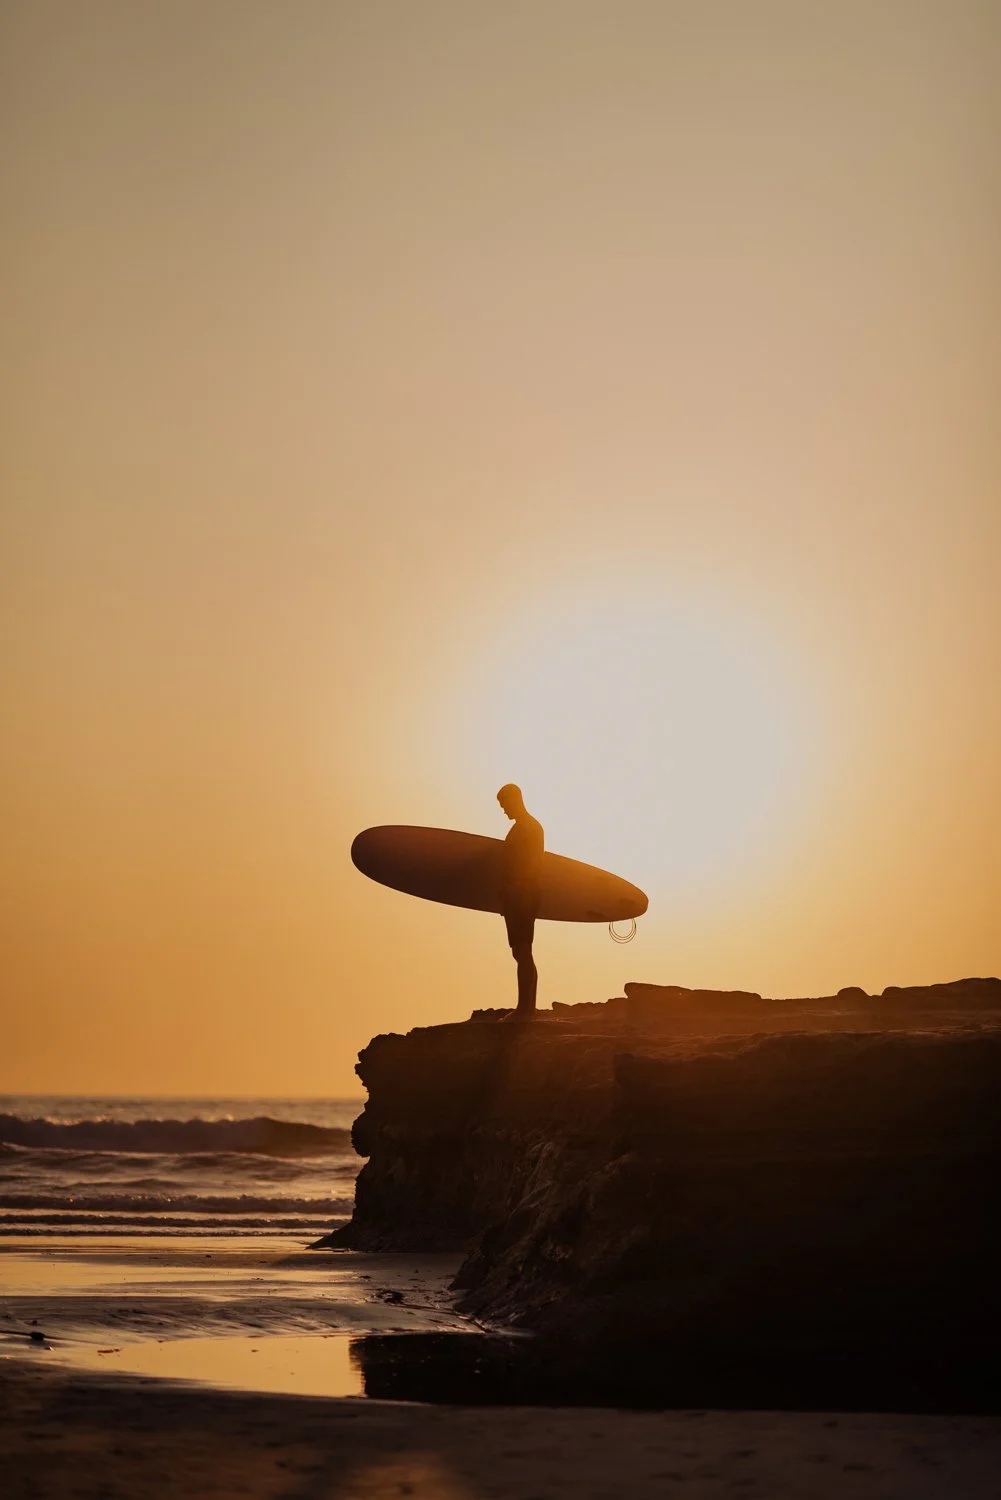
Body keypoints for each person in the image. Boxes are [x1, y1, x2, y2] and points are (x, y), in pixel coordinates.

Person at [496, 783, 544, 1015]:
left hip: (522, 894)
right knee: (521, 951)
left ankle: (526, 1008)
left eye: (505, 805)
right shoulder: (526, 827)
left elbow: (529, 864)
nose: (504, 810)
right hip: (520, 894)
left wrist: (514, 891)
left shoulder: (528, 828)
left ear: (515, 800)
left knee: (523, 950)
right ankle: (527, 1006)